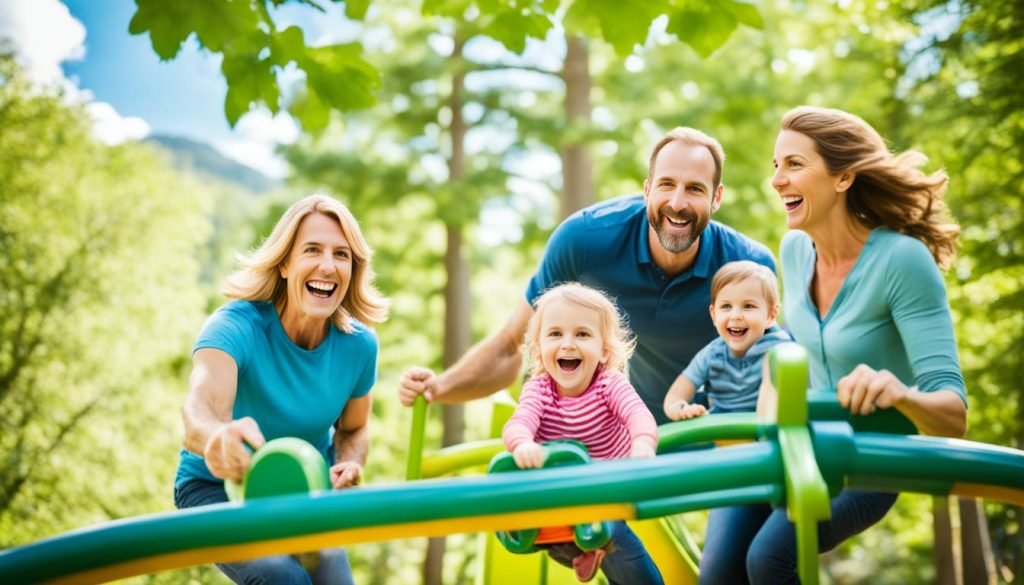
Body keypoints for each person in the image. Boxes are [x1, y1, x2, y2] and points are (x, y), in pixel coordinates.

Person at [700, 106, 968, 585]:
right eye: (775, 165)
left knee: (770, 557)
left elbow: (954, 412)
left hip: (869, 458)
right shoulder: (794, 251)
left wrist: (899, 393)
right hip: (793, 445)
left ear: (843, 178)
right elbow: (787, 352)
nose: (777, 180)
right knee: (719, 573)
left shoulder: (902, 261)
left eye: (794, 165)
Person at [399, 127, 775, 424]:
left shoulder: (747, 267)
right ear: (646, 190)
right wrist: (438, 387)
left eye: (694, 189)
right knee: (604, 522)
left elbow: (769, 367)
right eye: (666, 185)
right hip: (616, 432)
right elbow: (512, 345)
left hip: (710, 429)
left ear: (717, 198)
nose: (677, 202)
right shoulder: (584, 241)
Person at [173, 194, 390, 585]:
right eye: (312, 250)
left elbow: (354, 429)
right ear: (286, 263)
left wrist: (350, 462)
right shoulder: (235, 326)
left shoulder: (359, 344)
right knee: (282, 576)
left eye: (342, 255)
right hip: (215, 489)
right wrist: (218, 437)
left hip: (303, 493)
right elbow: (198, 411)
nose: (328, 265)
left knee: (333, 579)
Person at [502, 283, 662, 584]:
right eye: (555, 334)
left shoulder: (609, 384)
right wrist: (522, 443)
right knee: (547, 534)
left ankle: (596, 552)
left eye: (582, 334)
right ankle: (581, 554)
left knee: (619, 547)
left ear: (604, 350)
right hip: (562, 499)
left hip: (606, 489)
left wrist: (642, 444)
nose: (568, 344)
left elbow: (637, 414)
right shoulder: (539, 389)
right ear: (539, 348)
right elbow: (518, 422)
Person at [662, 260, 790, 421]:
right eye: (726, 307)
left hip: (763, 435)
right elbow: (673, 398)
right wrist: (682, 409)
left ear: (771, 315)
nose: (735, 315)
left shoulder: (780, 348)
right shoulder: (712, 354)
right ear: (714, 315)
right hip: (721, 436)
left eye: (748, 306)